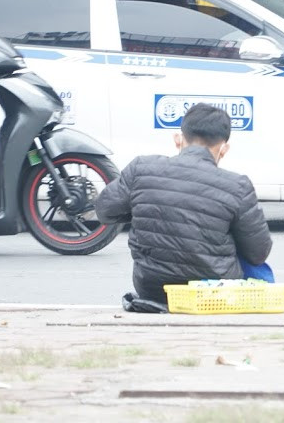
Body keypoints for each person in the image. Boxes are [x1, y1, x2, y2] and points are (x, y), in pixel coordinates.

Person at [94, 103, 273, 304]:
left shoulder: (141, 168)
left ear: (178, 140)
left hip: (153, 289)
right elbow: (258, 253)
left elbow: (104, 211)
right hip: (215, 294)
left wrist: (143, 207)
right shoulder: (238, 185)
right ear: (224, 149)